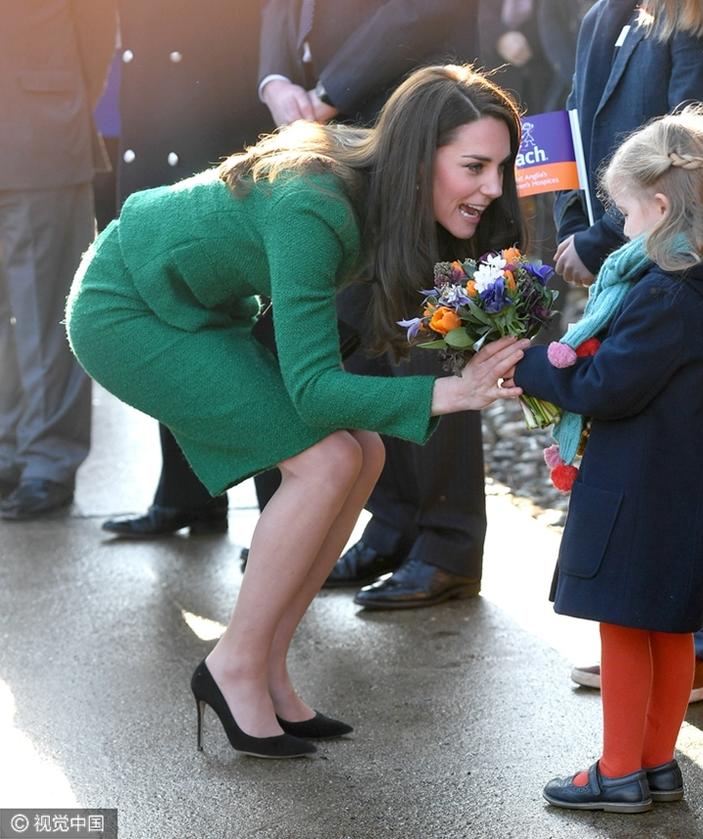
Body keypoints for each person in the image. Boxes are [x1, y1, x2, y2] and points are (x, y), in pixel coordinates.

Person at [66, 65, 529, 759]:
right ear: (418, 156)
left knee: (362, 451)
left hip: (193, 306)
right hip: (126, 307)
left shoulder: (381, 197)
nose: (493, 187)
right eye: (475, 166)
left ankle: (269, 664)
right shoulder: (316, 203)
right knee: (327, 459)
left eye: (500, 167)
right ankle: (233, 665)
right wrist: (450, 392)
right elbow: (313, 386)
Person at [509, 106, 703, 812]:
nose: (617, 225)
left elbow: (605, 385)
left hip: (636, 488)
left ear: (659, 204)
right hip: (685, 484)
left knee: (622, 626)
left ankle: (618, 768)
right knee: (672, 625)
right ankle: (657, 762)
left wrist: (529, 366)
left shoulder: (665, 295)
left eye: (622, 209)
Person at [258, 0, 492, 609]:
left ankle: (448, 546)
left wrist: (328, 90)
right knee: (362, 345)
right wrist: (276, 81)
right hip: (340, 141)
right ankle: (392, 529)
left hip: (421, 127)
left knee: (434, 338)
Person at [556, 0, 703, 702]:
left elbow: (683, 153)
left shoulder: (692, 16)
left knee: (674, 451)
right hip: (618, 244)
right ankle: (644, 628)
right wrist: (574, 223)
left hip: (661, 256)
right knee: (634, 444)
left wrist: (602, 237)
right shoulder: (606, 14)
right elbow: (571, 116)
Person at [101, 0, 283, 540]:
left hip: (216, 152)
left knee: (251, 337)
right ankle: (187, 495)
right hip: (156, 152)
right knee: (169, 322)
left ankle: (280, 511)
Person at [0, 0, 115, 520]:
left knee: (45, 311)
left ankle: (47, 458)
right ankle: (6, 449)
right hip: (36, 129)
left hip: (38, 135)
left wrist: (59, 103)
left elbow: (95, 34)